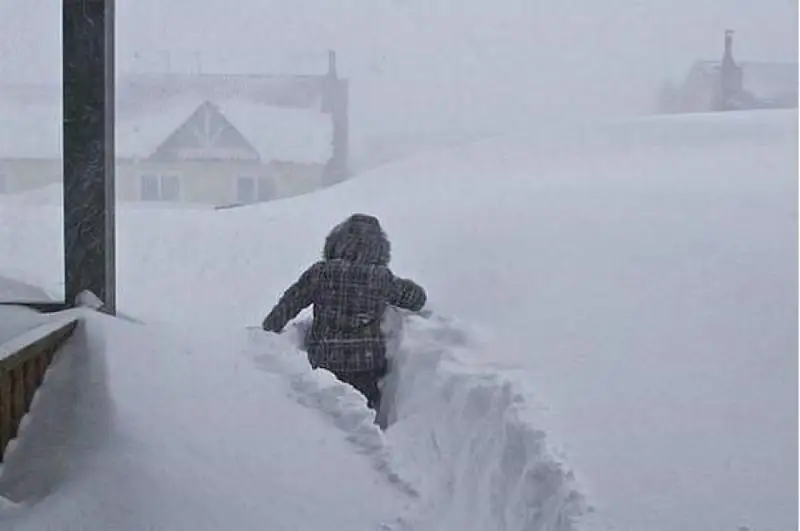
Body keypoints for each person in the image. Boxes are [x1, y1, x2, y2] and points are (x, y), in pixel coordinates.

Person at [262, 213, 427, 419]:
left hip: (325, 363)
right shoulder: (381, 279)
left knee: (324, 420)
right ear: (380, 249)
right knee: (362, 420)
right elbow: (417, 299)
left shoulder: (321, 273)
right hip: (366, 366)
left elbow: (289, 304)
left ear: (336, 242)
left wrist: (267, 331)